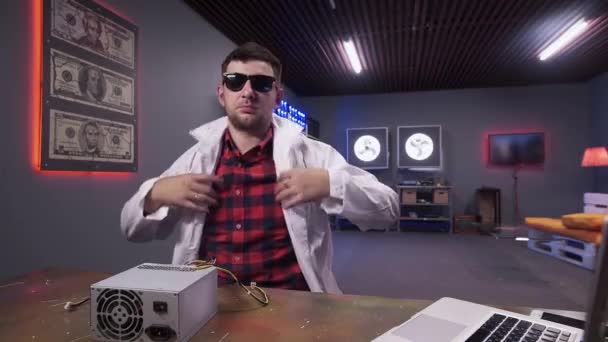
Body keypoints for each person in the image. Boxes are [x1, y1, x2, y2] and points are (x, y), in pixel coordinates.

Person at [120, 42, 399, 294]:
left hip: (293, 304)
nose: (248, 92)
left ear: (277, 96)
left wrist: (330, 184)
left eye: (262, 84)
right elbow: (131, 229)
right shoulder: (194, 160)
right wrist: (155, 193)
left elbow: (387, 210)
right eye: (235, 82)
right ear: (222, 94)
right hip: (208, 303)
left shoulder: (313, 156)